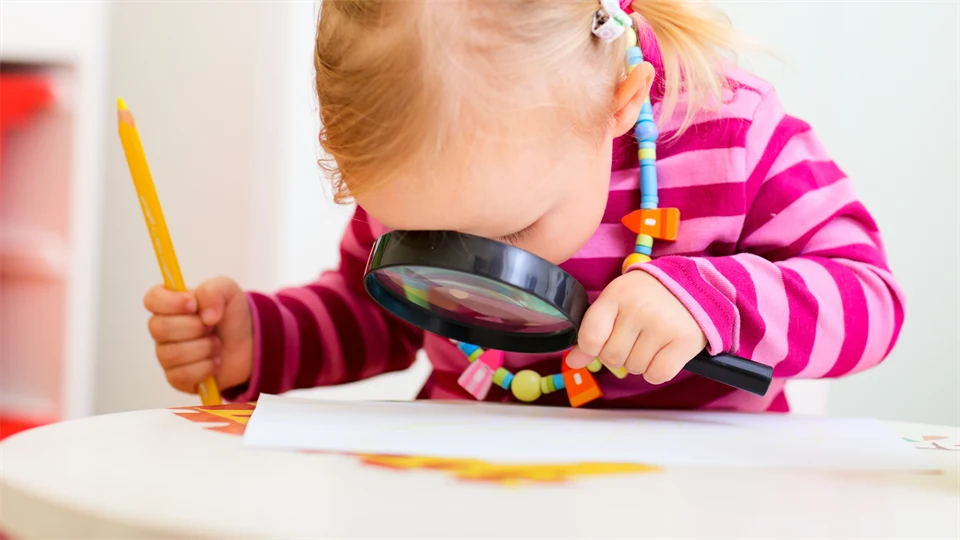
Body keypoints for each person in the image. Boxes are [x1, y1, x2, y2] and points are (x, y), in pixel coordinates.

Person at [142, 0, 904, 411]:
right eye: (418, 236)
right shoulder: (428, 168)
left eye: (513, 230)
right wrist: (260, 340)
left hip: (693, 505)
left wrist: (714, 302)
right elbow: (378, 312)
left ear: (619, 102)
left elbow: (872, 302)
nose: (470, 268)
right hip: (471, 495)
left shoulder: (731, 133)